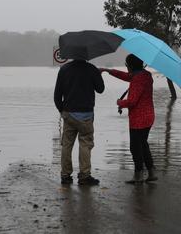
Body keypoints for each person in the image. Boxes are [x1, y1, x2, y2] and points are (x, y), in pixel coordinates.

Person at [101, 54, 158, 184]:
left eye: (127, 65)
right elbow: (126, 76)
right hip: (149, 116)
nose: (126, 68)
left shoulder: (137, 79)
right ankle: (151, 172)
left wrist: (120, 102)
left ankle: (138, 175)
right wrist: (109, 71)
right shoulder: (146, 75)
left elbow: (132, 101)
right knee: (143, 145)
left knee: (135, 147)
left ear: (131, 66)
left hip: (139, 119)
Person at [54, 58, 105, 186]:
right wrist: (98, 75)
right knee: (85, 144)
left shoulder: (64, 69)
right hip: (86, 115)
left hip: (69, 114)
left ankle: (65, 176)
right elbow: (100, 89)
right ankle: (84, 176)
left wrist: (63, 111)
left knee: (67, 145)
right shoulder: (92, 69)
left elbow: (57, 96)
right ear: (86, 54)